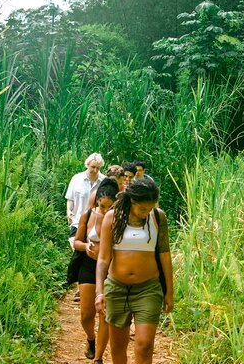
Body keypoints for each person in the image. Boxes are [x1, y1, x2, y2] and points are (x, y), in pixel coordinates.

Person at [95, 177, 174, 364]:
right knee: (117, 347)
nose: (146, 212)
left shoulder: (157, 216)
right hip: (117, 288)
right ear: (133, 201)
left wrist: (169, 292)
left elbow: (164, 254)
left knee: (145, 345)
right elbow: (103, 259)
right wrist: (99, 292)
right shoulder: (112, 217)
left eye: (150, 208)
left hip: (148, 289)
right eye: (143, 209)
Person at [74, 178, 119, 363]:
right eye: (102, 206)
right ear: (97, 201)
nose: (105, 211)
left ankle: (98, 357)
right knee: (86, 314)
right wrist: (85, 246)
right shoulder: (88, 215)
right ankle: (91, 339)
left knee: (105, 315)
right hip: (89, 265)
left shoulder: (121, 219)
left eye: (110, 207)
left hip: (111, 267)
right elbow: (76, 242)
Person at [66, 153, 106, 250]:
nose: (95, 170)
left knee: (92, 250)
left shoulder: (104, 181)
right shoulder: (77, 179)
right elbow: (70, 198)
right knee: (75, 247)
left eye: (98, 168)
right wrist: (68, 211)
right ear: (87, 165)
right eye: (93, 167)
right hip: (77, 220)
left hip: (95, 223)